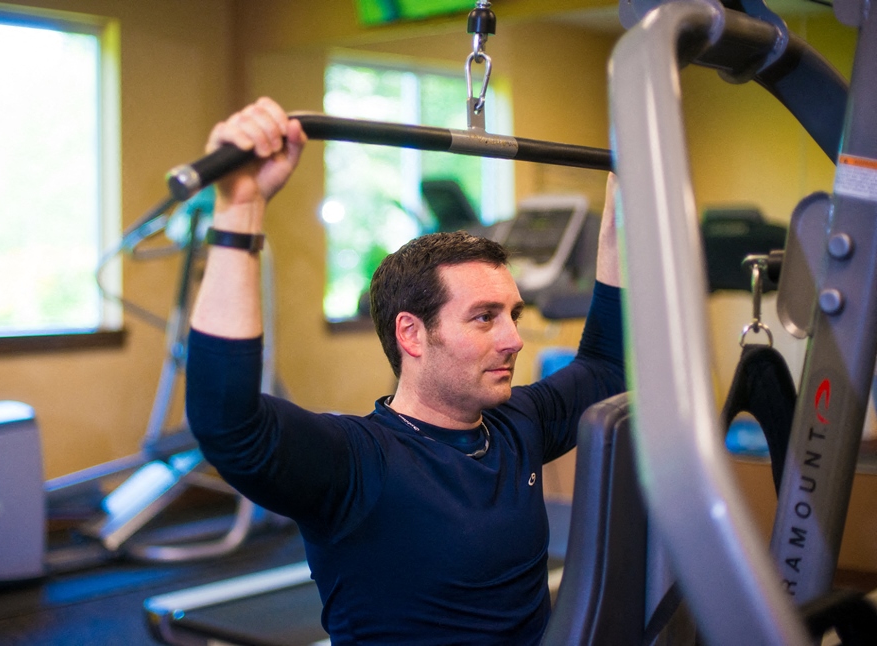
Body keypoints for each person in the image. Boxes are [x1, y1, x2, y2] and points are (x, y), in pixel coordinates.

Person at [186, 97, 625, 644]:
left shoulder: (517, 424)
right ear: (411, 333)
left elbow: (608, 366)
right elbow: (228, 425)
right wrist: (239, 210)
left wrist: (627, 192)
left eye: (511, 314)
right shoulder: (356, 463)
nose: (513, 338)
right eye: (484, 318)